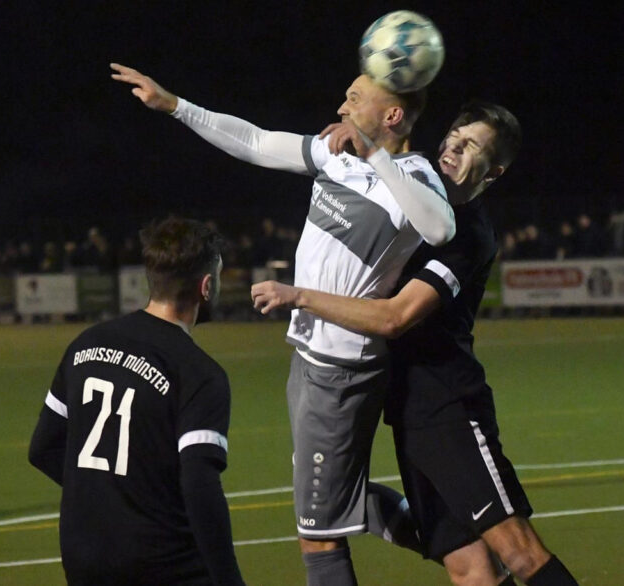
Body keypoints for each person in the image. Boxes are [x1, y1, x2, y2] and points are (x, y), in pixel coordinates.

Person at [111, 63, 455, 586]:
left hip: (342, 368)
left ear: (391, 115)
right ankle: (463, 546)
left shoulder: (414, 177)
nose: (342, 107)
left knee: (316, 531)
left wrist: (377, 154)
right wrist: (176, 105)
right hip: (309, 359)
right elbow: (253, 140)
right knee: (327, 491)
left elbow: (440, 227)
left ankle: (464, 548)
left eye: (355, 99)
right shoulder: (335, 156)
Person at [252, 102, 578, 585]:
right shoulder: (415, 183)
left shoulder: (467, 234)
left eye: (472, 147)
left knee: (520, 550)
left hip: (447, 407)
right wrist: (356, 130)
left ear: (495, 171)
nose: (453, 148)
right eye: (454, 134)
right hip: (405, 409)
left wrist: (300, 296)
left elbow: (395, 316)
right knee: (468, 567)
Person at [29, 216, 246, 586]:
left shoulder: (85, 344)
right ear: (206, 286)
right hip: (163, 564)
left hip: (83, 557)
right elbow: (199, 487)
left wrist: (111, 500)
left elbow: (43, 449)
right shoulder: (199, 374)